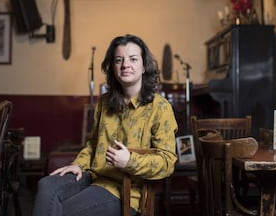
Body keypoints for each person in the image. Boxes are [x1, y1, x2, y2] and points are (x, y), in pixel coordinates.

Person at [32, 34, 178, 216]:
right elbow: (93, 143)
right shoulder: (104, 102)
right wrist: (78, 164)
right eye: (119, 60)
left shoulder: (160, 107)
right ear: (113, 67)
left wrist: (129, 161)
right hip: (93, 176)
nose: (125, 65)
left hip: (125, 191)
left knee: (64, 210)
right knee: (46, 185)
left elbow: (167, 162)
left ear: (144, 66)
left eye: (133, 59)